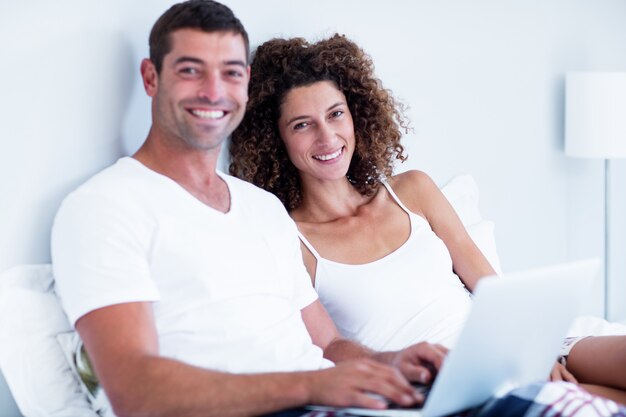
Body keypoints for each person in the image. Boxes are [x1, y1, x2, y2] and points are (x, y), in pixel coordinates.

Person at [50, 2, 460, 417]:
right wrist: (315, 384)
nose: (213, 90)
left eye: (230, 72)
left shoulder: (262, 208)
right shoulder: (104, 206)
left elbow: (329, 345)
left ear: (245, 84)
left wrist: (388, 364)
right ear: (151, 77)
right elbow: (135, 392)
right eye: (191, 70)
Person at [228, 34, 626, 405]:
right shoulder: (292, 241)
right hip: (455, 385)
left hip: (515, 349)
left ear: (356, 116)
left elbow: (491, 288)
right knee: (594, 402)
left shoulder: (412, 191)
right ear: (275, 139)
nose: (327, 137)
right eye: (303, 125)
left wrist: (531, 351)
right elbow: (328, 347)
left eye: (335, 114)